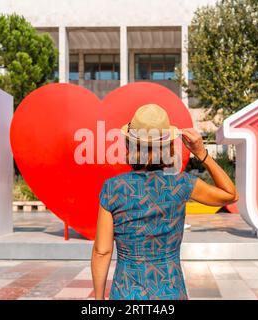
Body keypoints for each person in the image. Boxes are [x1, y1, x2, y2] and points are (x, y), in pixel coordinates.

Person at [91, 104, 238, 300]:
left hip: (126, 293)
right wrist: (201, 153)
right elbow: (230, 194)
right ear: (168, 146)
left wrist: (99, 299)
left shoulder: (114, 188)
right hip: (170, 292)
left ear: (129, 145)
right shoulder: (181, 183)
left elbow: (102, 251)